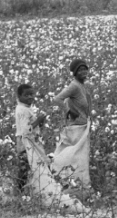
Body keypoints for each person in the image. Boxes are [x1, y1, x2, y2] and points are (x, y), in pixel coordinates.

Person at [14, 83, 83, 211]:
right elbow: (25, 131)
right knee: (26, 170)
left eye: (32, 94)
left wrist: (39, 122)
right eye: (26, 95)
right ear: (19, 96)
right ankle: (18, 195)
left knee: (32, 171)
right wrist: (38, 120)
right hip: (25, 146)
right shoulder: (22, 110)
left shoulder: (26, 108)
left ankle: (24, 196)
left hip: (31, 144)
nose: (30, 97)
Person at [49, 59, 93, 189]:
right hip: (76, 128)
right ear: (74, 72)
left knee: (79, 159)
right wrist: (69, 111)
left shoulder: (82, 86)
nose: (83, 72)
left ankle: (78, 185)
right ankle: (71, 184)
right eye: (80, 70)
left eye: (85, 69)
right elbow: (57, 99)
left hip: (83, 126)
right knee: (75, 158)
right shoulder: (74, 86)